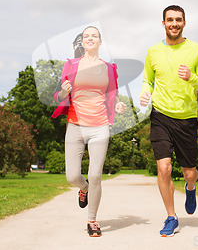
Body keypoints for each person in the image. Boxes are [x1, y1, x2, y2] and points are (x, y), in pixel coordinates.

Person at [139, 5, 198, 237]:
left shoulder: (196, 49)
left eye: (178, 20)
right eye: (170, 20)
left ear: (184, 23)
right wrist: (144, 92)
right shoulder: (153, 52)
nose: (174, 23)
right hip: (160, 115)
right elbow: (147, 80)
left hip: (186, 118)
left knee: (189, 172)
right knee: (164, 168)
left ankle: (191, 188)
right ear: (163, 23)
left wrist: (193, 78)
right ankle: (171, 216)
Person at [51, 26, 126, 237]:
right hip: (75, 125)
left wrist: (118, 105)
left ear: (100, 42)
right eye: (86, 36)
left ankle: (92, 220)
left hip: (100, 125)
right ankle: (82, 189)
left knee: (95, 175)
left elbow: (114, 94)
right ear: (82, 43)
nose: (90, 39)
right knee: (72, 176)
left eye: (94, 36)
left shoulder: (109, 68)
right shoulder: (71, 65)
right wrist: (63, 92)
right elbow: (57, 96)